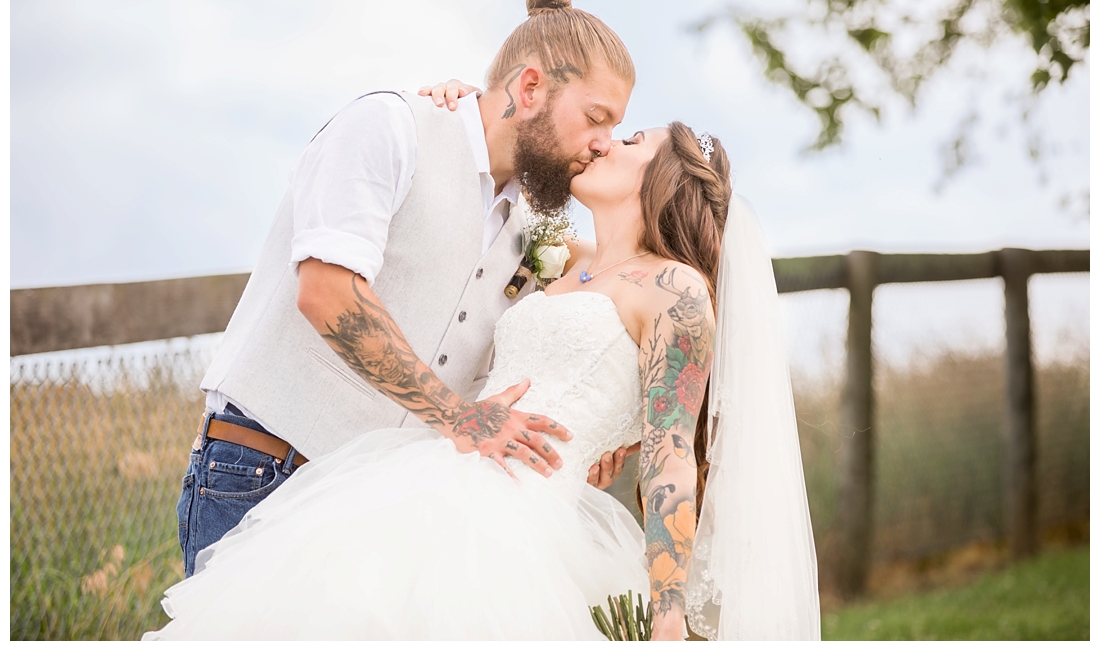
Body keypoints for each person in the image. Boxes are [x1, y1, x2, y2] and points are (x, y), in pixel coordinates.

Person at [145, 122, 821, 641]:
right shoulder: (558, 256)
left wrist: (667, 612)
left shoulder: (674, 289)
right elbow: (493, 164)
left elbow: (672, 450)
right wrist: (455, 101)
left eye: (632, 139)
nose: (604, 142)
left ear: (664, 178)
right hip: (426, 478)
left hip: (526, 529)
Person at [177, 0, 638, 578]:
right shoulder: (389, 128)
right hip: (268, 474)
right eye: (595, 118)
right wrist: (459, 418)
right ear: (529, 88)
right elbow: (327, 291)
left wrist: (595, 433)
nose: (602, 145)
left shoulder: (534, 226)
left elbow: (611, 290)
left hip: (388, 512)